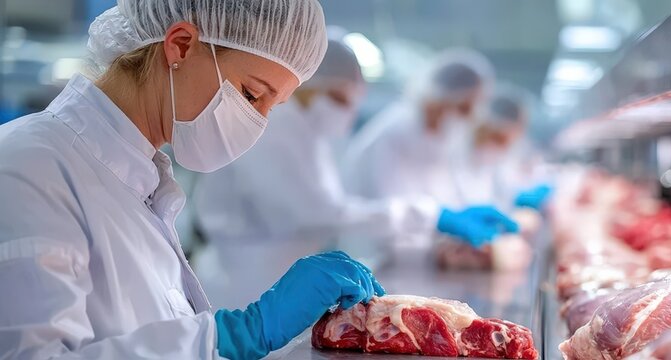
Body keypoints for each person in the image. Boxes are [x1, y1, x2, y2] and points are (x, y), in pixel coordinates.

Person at [0, 1, 383, 359]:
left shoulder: (139, 179)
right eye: (251, 95)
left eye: (273, 106)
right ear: (181, 45)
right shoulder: (31, 167)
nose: (258, 125)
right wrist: (236, 335)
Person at [192, 38, 518, 310]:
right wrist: (430, 215)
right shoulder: (273, 130)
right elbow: (319, 214)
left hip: (276, 280)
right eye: (338, 97)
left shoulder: (308, 134)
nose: (346, 112)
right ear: (303, 82)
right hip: (240, 284)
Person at [343, 49, 495, 206]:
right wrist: (439, 216)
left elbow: (448, 194)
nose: (469, 118)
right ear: (440, 98)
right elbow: (387, 206)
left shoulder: (443, 141)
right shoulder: (395, 132)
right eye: (464, 108)